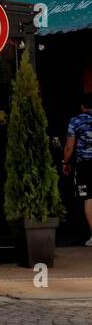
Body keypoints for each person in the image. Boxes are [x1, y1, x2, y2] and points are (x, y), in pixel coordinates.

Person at [62, 93, 92, 246]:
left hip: (85, 164)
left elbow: (69, 146)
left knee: (89, 198)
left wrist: (65, 162)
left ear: (82, 106)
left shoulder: (76, 121)